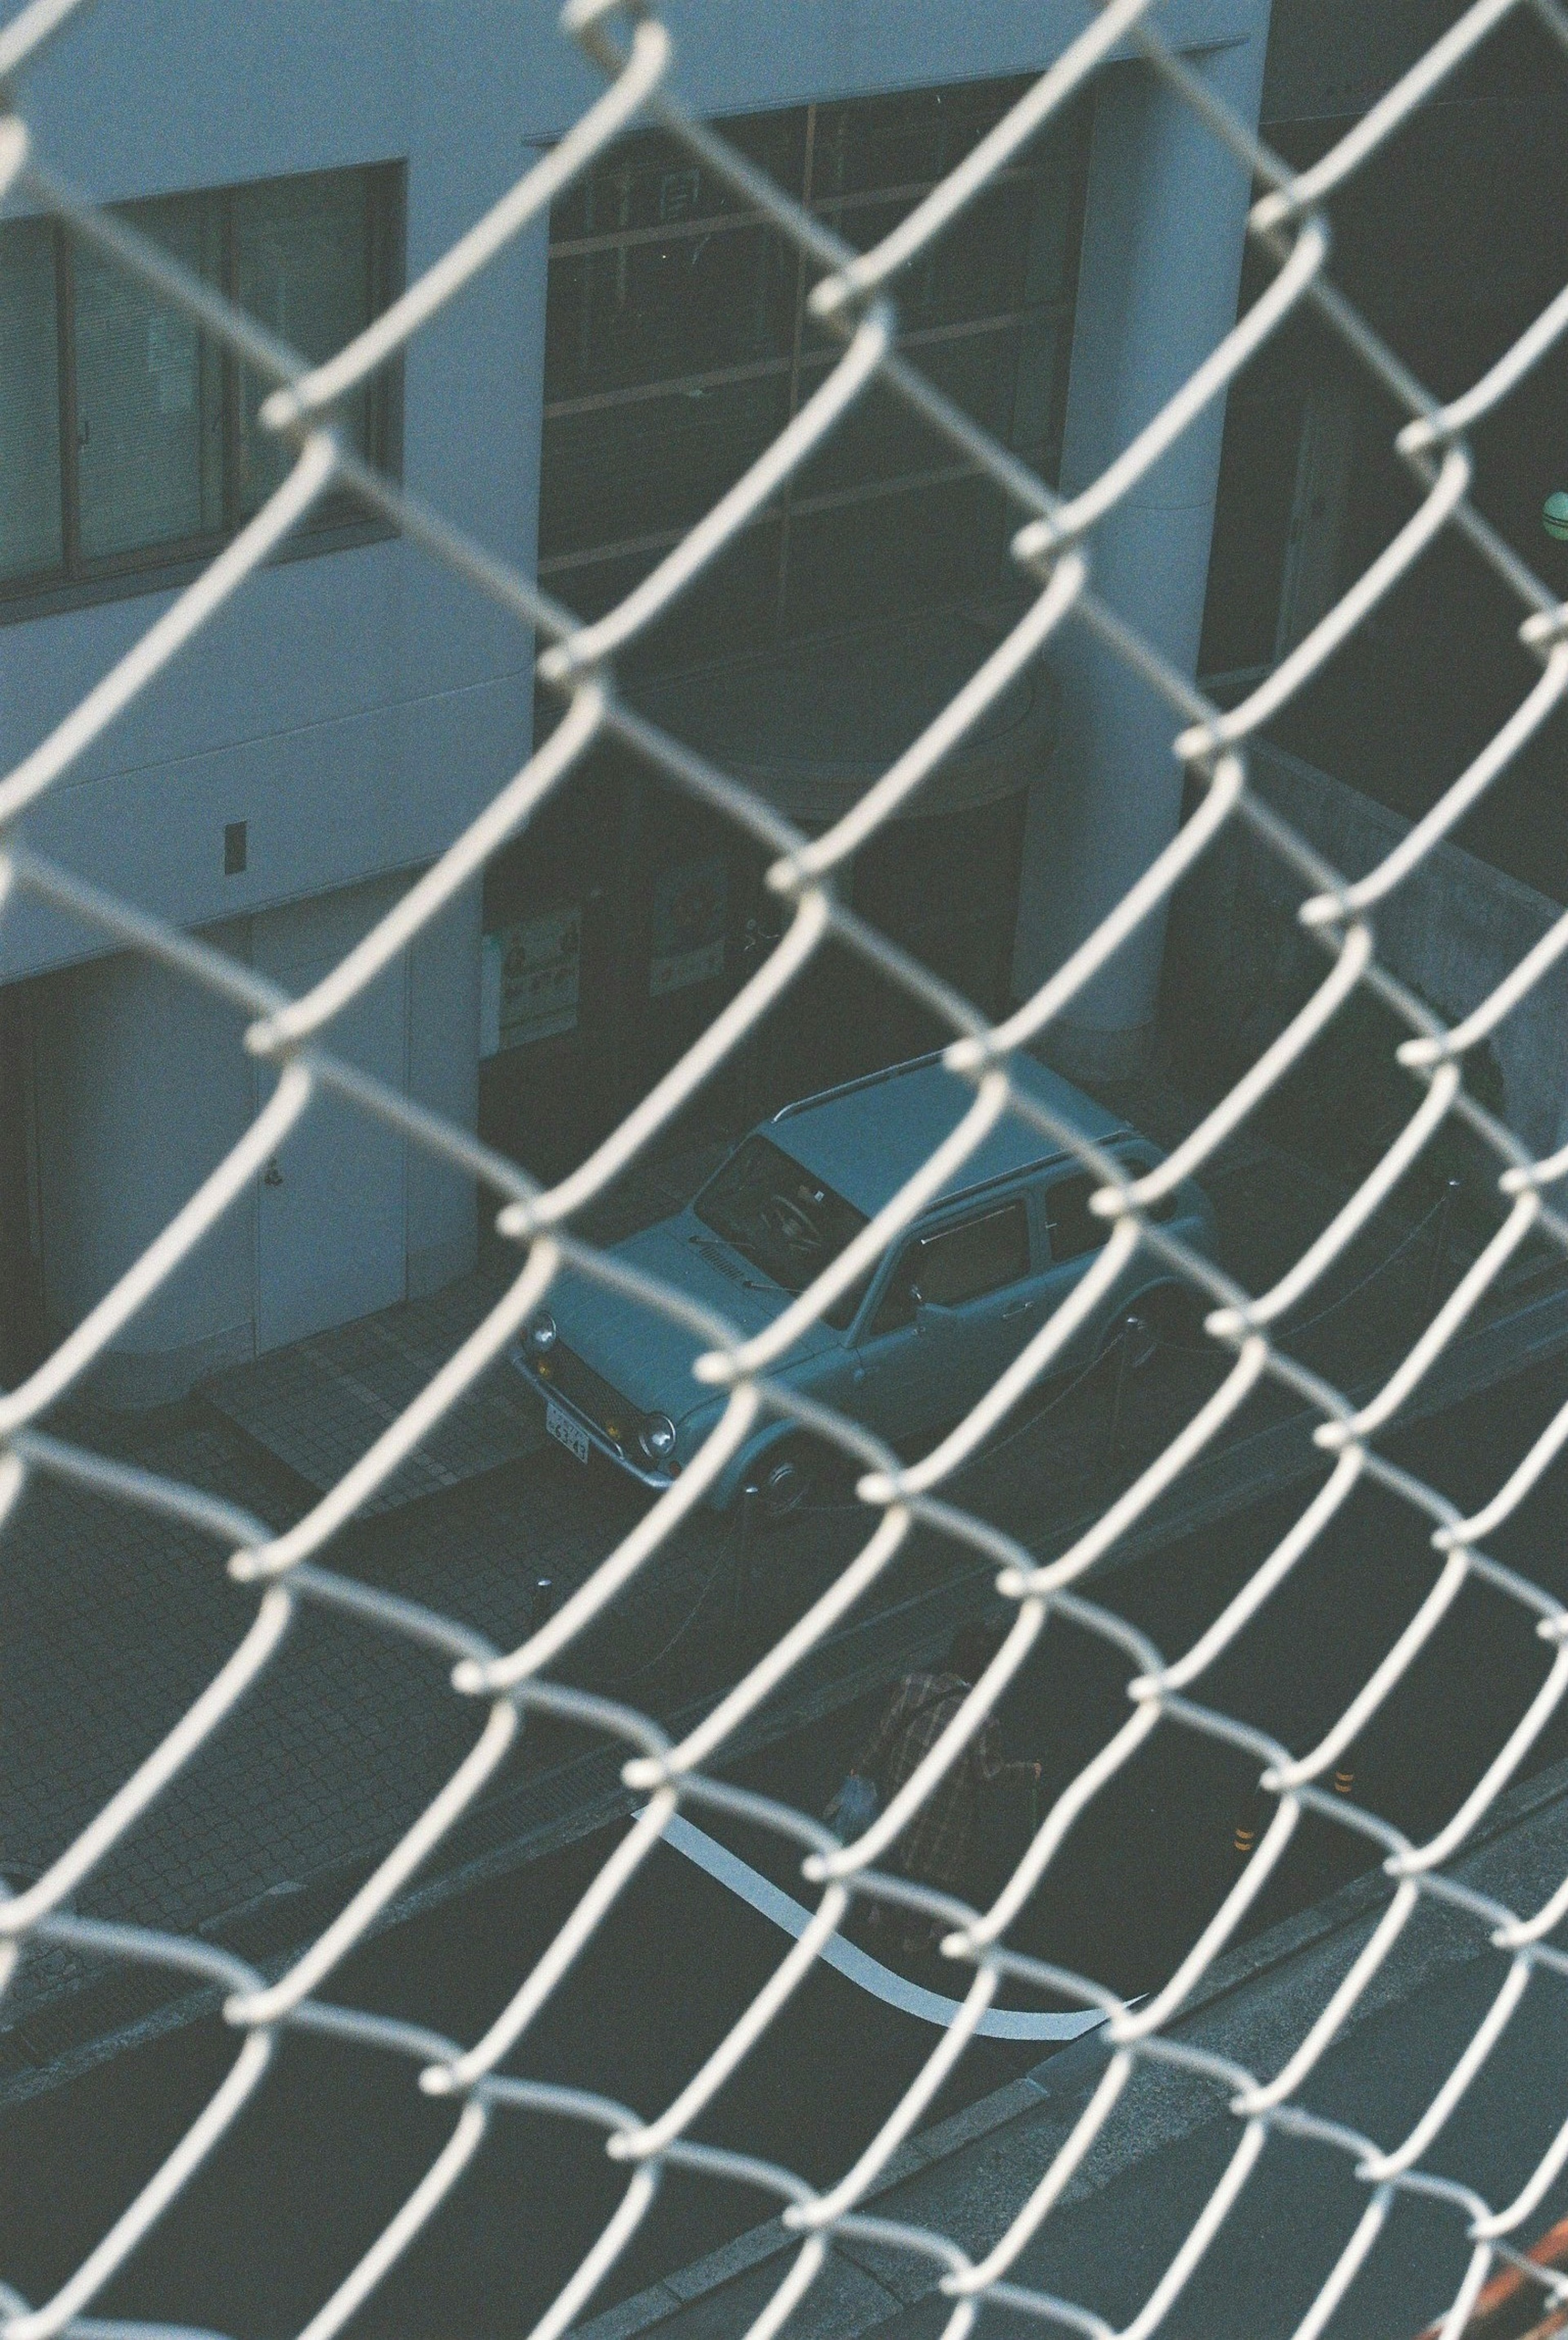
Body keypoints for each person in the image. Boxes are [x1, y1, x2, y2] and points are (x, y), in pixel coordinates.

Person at [847, 1620, 1040, 1962]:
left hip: (902, 1791)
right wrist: (1029, 1772)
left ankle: (880, 1910)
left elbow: (884, 1734)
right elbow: (990, 1774)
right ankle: (915, 1938)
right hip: (944, 1815)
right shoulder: (982, 1719)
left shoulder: (913, 1687)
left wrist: (860, 1768)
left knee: (896, 1850)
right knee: (929, 1874)